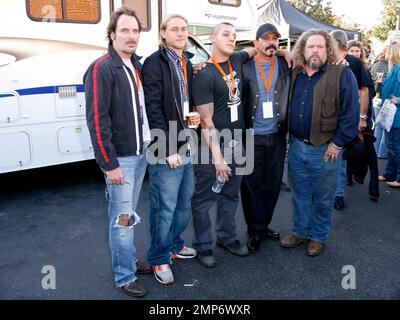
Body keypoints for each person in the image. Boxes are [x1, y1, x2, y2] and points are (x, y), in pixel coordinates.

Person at [84, 7, 151, 297]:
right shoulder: (102, 68)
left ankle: (129, 260)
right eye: (124, 30)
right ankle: (125, 276)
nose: (131, 35)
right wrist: (109, 164)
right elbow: (97, 120)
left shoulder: (135, 66)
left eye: (135, 30)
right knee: (122, 219)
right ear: (111, 35)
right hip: (121, 160)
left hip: (140, 155)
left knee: (129, 214)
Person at [280, 29, 359, 257]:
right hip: (296, 147)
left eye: (320, 47)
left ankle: (318, 237)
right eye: (310, 47)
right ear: (303, 50)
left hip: (326, 149)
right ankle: (299, 231)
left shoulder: (342, 74)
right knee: (300, 194)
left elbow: (350, 113)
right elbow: (273, 52)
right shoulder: (295, 71)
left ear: (329, 50)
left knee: (323, 198)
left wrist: (338, 144)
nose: (315, 51)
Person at [191, 22, 256, 267]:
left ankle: (227, 238)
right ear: (212, 38)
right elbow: (206, 121)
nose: (231, 39)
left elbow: (257, 48)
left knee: (230, 195)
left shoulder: (237, 59)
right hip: (211, 147)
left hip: (238, 143)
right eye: (226, 34)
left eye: (234, 35)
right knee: (205, 199)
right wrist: (218, 158)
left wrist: (284, 51)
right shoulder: (204, 74)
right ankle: (203, 246)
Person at [141, 14, 199, 285]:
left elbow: (184, 100)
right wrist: (167, 148)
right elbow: (153, 108)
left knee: (184, 203)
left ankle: (174, 245)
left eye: (184, 29)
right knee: (164, 207)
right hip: (167, 150)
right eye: (174, 29)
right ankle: (159, 258)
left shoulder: (186, 61)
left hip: (187, 143)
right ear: (163, 33)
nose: (180, 33)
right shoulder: (154, 63)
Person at [240, 23, 291, 253]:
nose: (272, 42)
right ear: (256, 42)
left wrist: (284, 52)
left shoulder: (286, 64)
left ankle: (264, 225)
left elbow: (313, 57)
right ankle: (254, 230)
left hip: (277, 137)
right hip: (251, 137)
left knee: (272, 185)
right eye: (266, 38)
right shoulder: (245, 66)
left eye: (276, 38)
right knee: (251, 187)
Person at [330, 30, 372, 210]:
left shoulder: (354, 63)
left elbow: (364, 91)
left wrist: (362, 118)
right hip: (332, 118)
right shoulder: (327, 61)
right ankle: (333, 192)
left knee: (340, 156)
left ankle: (338, 194)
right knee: (333, 156)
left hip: (346, 119)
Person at [380, 43, 400, 188]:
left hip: (396, 116)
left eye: (387, 51)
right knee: (390, 145)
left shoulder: (398, 70)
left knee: (395, 146)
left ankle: (398, 177)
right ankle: (390, 173)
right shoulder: (392, 70)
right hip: (390, 115)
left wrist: (398, 99)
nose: (385, 54)